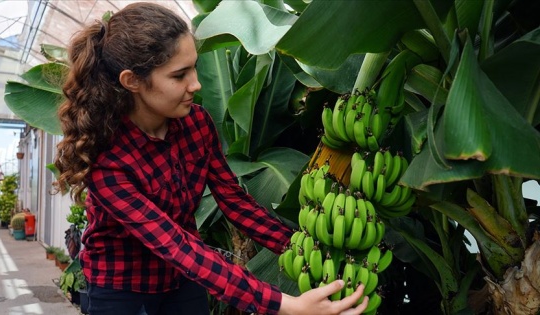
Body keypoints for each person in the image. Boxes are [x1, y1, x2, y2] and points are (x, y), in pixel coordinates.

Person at [53, 2, 368, 315]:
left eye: (194, 67)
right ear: (132, 81)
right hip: (122, 287)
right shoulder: (108, 159)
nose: (196, 84)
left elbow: (234, 202)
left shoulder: (196, 123)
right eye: (179, 75)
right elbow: (176, 245)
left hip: (183, 279)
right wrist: (285, 306)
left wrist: (303, 248)